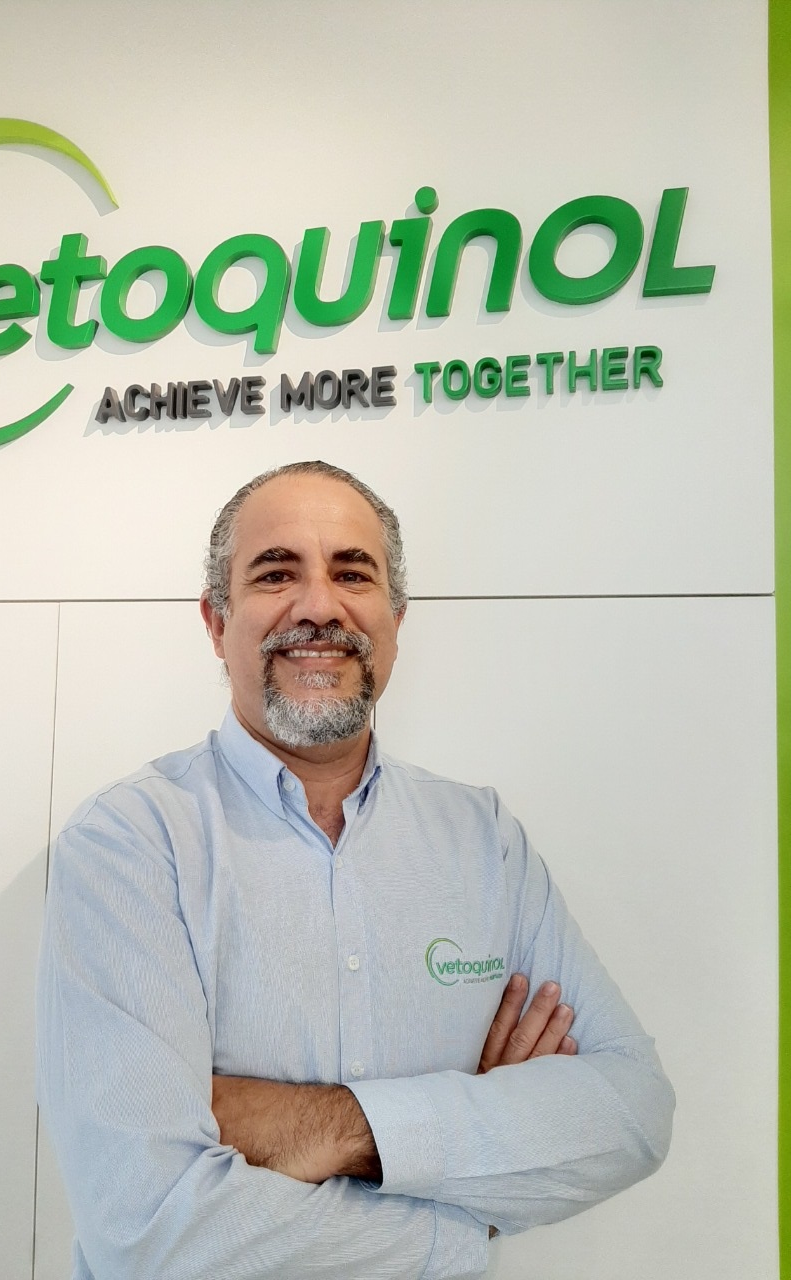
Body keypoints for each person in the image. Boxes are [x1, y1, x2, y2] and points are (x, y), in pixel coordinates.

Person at [36, 460, 674, 1280]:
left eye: (352, 573)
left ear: (395, 619)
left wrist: (341, 1129)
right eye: (276, 574)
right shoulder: (129, 844)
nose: (318, 606)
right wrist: (469, 1205)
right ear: (215, 622)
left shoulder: (483, 840)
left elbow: (633, 1113)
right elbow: (152, 1232)